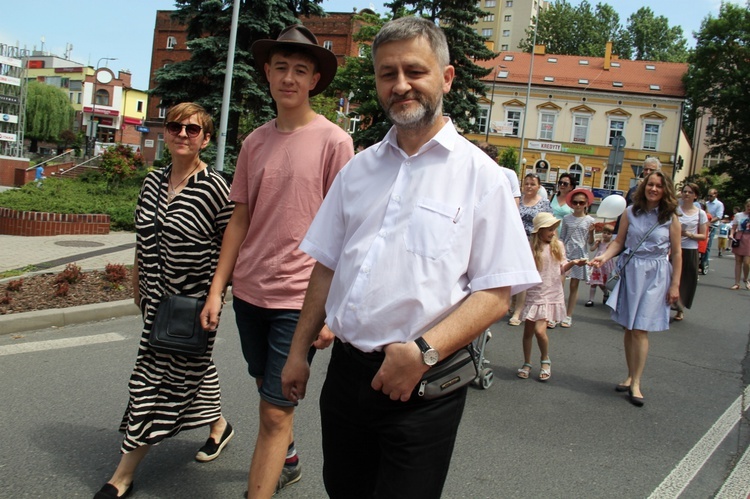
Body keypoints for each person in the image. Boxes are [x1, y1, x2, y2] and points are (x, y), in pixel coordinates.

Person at [280, 16, 540, 498]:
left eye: (414, 71)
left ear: (446, 76)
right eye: (387, 73)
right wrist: (297, 353)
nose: (400, 85)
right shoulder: (358, 170)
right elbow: (326, 266)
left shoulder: (481, 176)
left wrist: (421, 353)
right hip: (346, 375)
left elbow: (496, 293)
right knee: (344, 491)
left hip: (425, 384)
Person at [200, 25, 354, 498]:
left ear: (313, 81)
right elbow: (239, 219)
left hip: (301, 299)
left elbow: (349, 232)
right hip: (249, 292)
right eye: (281, 68)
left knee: (273, 409)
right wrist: (217, 288)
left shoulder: (334, 142)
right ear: (267, 73)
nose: (289, 78)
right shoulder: (254, 143)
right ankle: (287, 458)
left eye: (300, 70)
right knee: (264, 384)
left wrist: (333, 313)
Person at [95, 103, 235, 499]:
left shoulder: (216, 187)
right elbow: (142, 239)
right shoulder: (152, 183)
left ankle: (122, 474)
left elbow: (232, 247)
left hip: (192, 307)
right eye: (176, 127)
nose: (183, 134)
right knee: (194, 368)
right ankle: (219, 426)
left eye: (193, 130)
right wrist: (137, 283)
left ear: (206, 139)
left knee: (153, 384)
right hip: (155, 302)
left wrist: (216, 296)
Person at [589, 171, 681, 407]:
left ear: (665, 190)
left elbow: (678, 252)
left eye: (659, 186)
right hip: (632, 269)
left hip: (656, 273)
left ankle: (637, 382)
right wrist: (603, 258)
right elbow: (619, 241)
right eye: (650, 184)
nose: (654, 189)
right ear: (644, 187)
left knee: (640, 328)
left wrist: (675, 285)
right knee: (629, 326)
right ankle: (630, 375)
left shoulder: (670, 217)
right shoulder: (630, 212)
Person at [517, 213, 587, 381]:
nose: (553, 232)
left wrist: (574, 263)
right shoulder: (530, 247)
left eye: (554, 229)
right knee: (528, 331)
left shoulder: (558, 246)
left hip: (551, 291)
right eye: (549, 229)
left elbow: (563, 266)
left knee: (540, 331)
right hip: (535, 291)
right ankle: (527, 362)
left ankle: (545, 359)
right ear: (539, 231)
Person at [508, 172, 552, 326]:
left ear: (538, 186)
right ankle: (513, 303)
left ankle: (518, 311)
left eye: (532, 184)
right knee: (512, 273)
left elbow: (549, 224)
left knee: (523, 275)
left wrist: (551, 243)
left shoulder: (543, 203)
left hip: (533, 242)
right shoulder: (517, 201)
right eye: (526, 183)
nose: (529, 187)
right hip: (516, 240)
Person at [560, 187, 595, 327]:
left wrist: (592, 233)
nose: (578, 205)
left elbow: (590, 242)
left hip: (580, 254)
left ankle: (568, 315)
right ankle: (557, 313)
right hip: (567, 253)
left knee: (574, 286)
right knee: (560, 284)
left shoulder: (589, 220)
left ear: (586, 203)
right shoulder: (567, 218)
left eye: (581, 202)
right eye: (575, 202)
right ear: (571, 204)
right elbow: (562, 237)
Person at [673, 183, 707, 321]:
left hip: (690, 249)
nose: (686, 194)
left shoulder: (700, 213)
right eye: (684, 191)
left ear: (695, 196)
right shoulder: (675, 210)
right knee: (670, 277)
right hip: (675, 248)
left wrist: (688, 234)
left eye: (690, 192)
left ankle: (681, 309)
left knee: (686, 280)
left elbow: (703, 236)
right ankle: (667, 305)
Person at [476, 141, 521, 207]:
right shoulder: (472, 175)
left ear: (496, 160)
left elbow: (515, 203)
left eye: (483, 159)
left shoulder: (508, 175)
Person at [585, 224, 615, 306]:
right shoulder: (599, 242)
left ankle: (606, 293)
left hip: (605, 264)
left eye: (608, 234)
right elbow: (591, 249)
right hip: (597, 263)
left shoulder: (612, 244)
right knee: (594, 282)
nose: (605, 235)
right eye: (604, 232)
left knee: (602, 284)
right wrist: (596, 244)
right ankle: (591, 300)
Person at [701, 188, 725, 273]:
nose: (709, 197)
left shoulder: (719, 204)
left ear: (716, 195)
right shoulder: (706, 204)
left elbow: (719, 216)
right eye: (708, 195)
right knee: (700, 244)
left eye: (711, 196)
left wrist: (709, 221)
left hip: (712, 226)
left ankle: (705, 262)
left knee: (707, 245)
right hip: (703, 225)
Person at [729, 198, 750, 290]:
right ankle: (737, 283)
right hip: (739, 237)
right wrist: (731, 234)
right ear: (745, 205)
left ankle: (745, 279)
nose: (749, 208)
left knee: (746, 262)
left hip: (749, 239)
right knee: (738, 261)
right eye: (748, 206)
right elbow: (734, 227)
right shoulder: (739, 215)